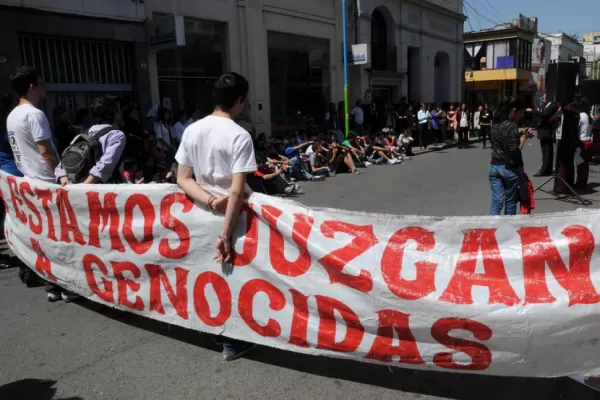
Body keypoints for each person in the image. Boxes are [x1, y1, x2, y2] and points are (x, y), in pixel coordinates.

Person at [175, 72, 258, 361]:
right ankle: (233, 341)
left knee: (208, 274)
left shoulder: (191, 130)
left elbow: (182, 179)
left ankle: (213, 328)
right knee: (235, 277)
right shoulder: (240, 135)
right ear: (240, 100)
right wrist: (225, 232)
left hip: (199, 213)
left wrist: (210, 200)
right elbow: (235, 192)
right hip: (233, 220)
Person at [56, 94, 127, 185]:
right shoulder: (117, 135)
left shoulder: (83, 133)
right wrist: (85, 187)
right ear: (111, 114)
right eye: (119, 111)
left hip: (77, 188)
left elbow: (63, 163)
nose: (121, 114)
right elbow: (105, 165)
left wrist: (65, 181)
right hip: (105, 191)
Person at [488, 99, 528, 216]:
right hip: (508, 168)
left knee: (496, 202)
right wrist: (524, 138)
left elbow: (500, 141)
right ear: (514, 110)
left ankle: (491, 228)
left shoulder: (494, 125)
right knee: (510, 202)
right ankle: (508, 231)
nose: (519, 116)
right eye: (519, 113)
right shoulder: (511, 125)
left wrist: (519, 135)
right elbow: (513, 150)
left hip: (494, 166)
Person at [526, 94, 559, 177]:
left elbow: (545, 114)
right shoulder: (545, 106)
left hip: (546, 131)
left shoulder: (552, 105)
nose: (542, 99)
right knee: (546, 151)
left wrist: (532, 111)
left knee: (547, 152)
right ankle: (547, 169)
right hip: (543, 131)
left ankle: (544, 169)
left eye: (544, 97)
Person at [575, 100, 593, 190]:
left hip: (581, 141)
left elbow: (577, 128)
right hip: (588, 140)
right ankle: (583, 182)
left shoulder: (581, 116)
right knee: (585, 164)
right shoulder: (589, 116)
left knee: (580, 164)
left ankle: (580, 183)